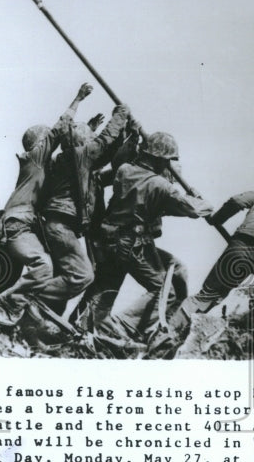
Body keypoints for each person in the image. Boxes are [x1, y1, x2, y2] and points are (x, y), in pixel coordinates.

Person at [81, 130, 213, 340]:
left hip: (109, 240)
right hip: (131, 244)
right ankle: (124, 327)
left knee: (173, 270)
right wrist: (203, 202)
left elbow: (150, 200)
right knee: (164, 290)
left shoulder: (125, 170)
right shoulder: (160, 185)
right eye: (167, 161)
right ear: (160, 159)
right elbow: (193, 209)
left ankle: (84, 323)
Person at [0, 83, 92, 326]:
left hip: (22, 226)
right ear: (39, 143)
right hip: (18, 225)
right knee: (42, 266)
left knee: (8, 278)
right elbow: (60, 128)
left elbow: (74, 160)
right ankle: (4, 307)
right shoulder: (34, 159)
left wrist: (88, 132)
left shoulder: (41, 167)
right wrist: (78, 98)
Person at [33, 102, 131, 315]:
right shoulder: (78, 156)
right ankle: (28, 297)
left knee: (66, 277)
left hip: (62, 226)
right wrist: (120, 115)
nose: (92, 142)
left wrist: (126, 134)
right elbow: (104, 143)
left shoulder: (75, 163)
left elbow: (107, 155)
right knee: (82, 275)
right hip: (61, 226)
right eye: (89, 139)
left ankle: (45, 320)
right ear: (82, 143)